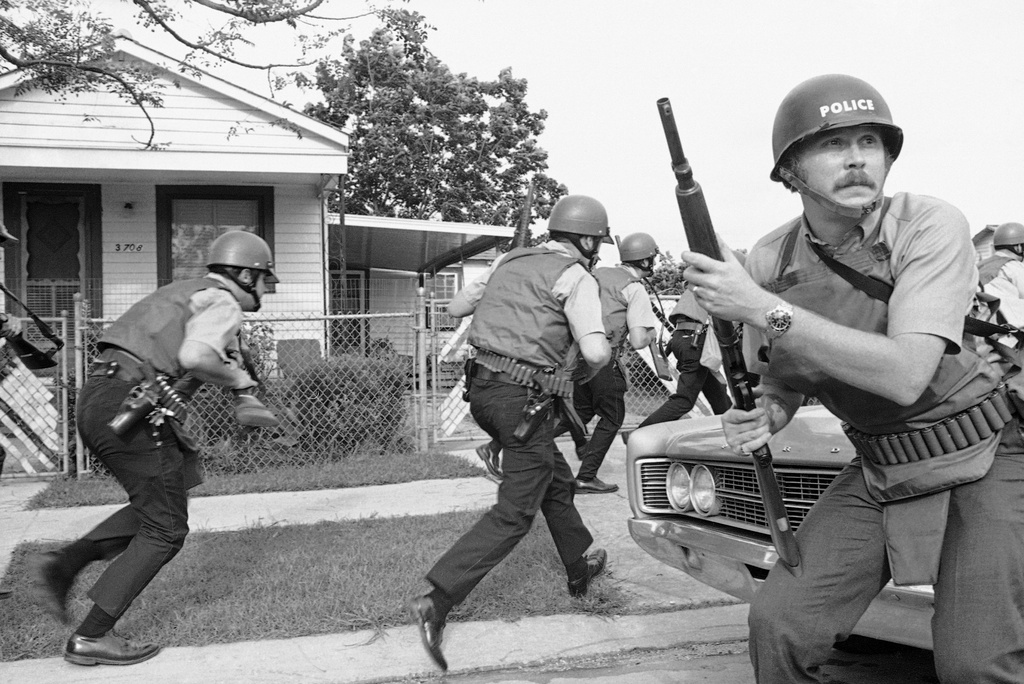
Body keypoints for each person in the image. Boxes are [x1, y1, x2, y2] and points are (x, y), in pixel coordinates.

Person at [682, 73, 1024, 683]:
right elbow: (782, 380)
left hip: (985, 448)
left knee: (977, 664)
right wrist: (768, 413)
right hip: (879, 463)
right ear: (790, 172)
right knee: (781, 625)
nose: (857, 158)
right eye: (833, 144)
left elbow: (906, 373)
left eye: (870, 141)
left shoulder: (930, 224)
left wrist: (760, 307)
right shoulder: (768, 260)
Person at [28, 231, 279, 667]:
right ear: (244, 274)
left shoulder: (185, 293)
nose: (266, 290)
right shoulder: (222, 302)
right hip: (132, 406)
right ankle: (91, 636)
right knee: (165, 529)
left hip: (100, 398)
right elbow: (199, 354)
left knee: (171, 488)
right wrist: (239, 384)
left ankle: (64, 566)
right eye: (264, 280)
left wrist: (243, 390)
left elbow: (204, 354)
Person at [408, 194, 613, 672]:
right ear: (586, 239)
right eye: (597, 241)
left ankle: (580, 566)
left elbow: (458, 305)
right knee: (515, 511)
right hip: (524, 402)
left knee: (555, 481)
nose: (596, 248)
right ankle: (437, 598)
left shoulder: (507, 259)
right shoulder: (575, 276)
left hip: (480, 393)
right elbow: (598, 353)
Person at [565, 231, 659, 493]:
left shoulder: (598, 274)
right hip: (604, 357)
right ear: (646, 261)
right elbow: (639, 340)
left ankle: (518, 448)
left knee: (581, 412)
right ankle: (586, 476)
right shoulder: (634, 288)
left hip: (579, 354)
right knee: (612, 416)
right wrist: (653, 332)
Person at [635, 282, 731, 430]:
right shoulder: (714, 283)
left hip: (683, 337)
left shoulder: (697, 283)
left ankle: (736, 432)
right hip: (694, 340)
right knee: (684, 400)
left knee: (719, 395)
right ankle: (641, 432)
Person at [979, 221, 1024, 327]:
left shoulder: (979, 265)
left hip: (979, 328)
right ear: (1018, 247)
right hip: (1009, 333)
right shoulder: (1012, 267)